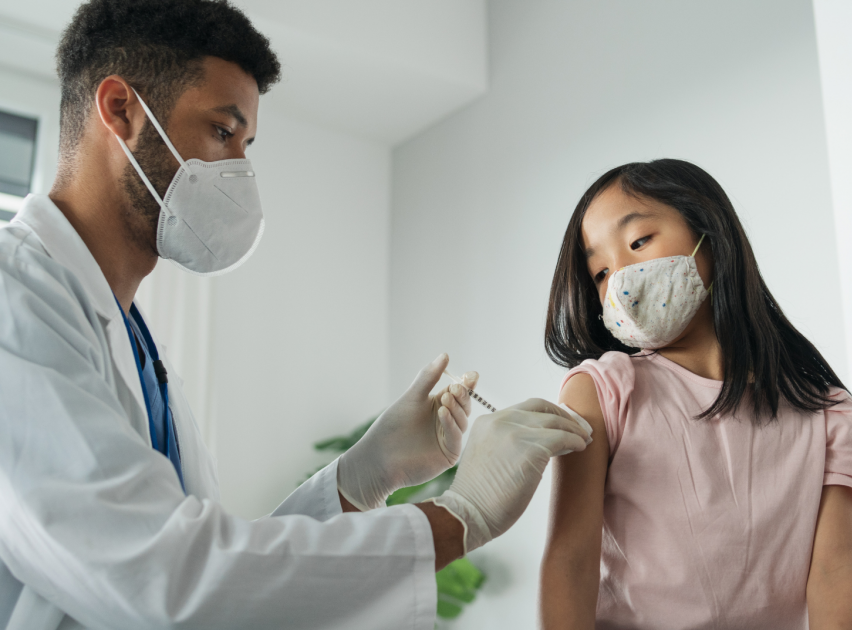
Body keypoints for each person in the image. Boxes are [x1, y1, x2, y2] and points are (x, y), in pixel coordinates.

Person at [0, 1, 591, 628]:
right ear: (120, 109)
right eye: (223, 133)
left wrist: (361, 476)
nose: (239, 171)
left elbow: (223, 575)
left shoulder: (130, 335)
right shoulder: (16, 298)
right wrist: (457, 517)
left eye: (246, 144)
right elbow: (164, 580)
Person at [538, 160, 852, 630]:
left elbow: (836, 570)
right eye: (599, 272)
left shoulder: (827, 413)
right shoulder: (602, 390)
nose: (620, 279)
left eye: (639, 242)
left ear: (711, 235)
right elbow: (569, 560)